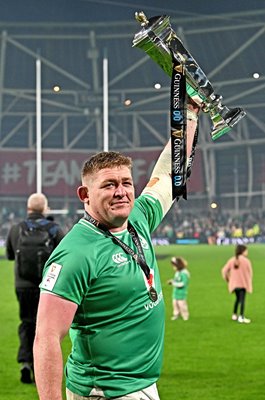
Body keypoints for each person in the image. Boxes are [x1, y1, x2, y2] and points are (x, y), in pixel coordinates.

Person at [33, 100, 200, 400]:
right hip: (105, 391)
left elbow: (166, 175)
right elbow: (46, 337)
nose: (121, 191)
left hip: (140, 383)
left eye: (126, 183)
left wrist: (189, 115)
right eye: (109, 185)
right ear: (85, 195)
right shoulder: (76, 254)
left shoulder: (137, 217)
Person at [5, 193, 64, 384]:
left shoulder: (16, 229)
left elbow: (10, 255)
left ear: (28, 208)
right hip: (47, 286)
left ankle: (25, 363)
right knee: (46, 328)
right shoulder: (54, 229)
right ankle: (43, 369)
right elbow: (64, 256)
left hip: (23, 286)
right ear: (45, 208)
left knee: (26, 323)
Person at [221, 244, 253, 324]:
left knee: (237, 299)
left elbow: (224, 271)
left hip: (234, 284)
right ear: (243, 251)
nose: (247, 252)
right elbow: (250, 273)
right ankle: (241, 317)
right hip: (242, 284)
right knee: (242, 300)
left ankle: (234, 314)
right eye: (246, 251)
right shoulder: (246, 261)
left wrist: (228, 279)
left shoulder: (232, 260)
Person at [167, 256, 190, 321]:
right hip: (175, 292)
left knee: (182, 305)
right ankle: (176, 315)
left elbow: (183, 283)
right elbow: (176, 280)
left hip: (181, 293)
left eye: (174, 266)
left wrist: (173, 283)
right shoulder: (177, 272)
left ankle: (185, 315)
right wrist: (172, 281)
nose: (173, 267)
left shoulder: (184, 273)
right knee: (175, 304)